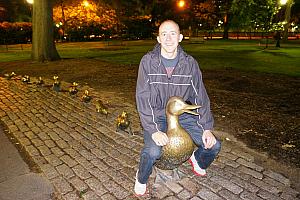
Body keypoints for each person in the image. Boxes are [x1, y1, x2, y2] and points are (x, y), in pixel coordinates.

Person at [134, 20, 221, 196]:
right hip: (157, 115)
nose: (168, 38)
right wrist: (153, 129)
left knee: (213, 146)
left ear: (180, 37)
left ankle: (197, 160)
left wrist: (206, 128)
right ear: (158, 38)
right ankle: (141, 177)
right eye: (164, 34)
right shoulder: (148, 62)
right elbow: (143, 98)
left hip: (182, 114)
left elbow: (200, 96)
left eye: (172, 33)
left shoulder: (190, 64)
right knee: (153, 151)